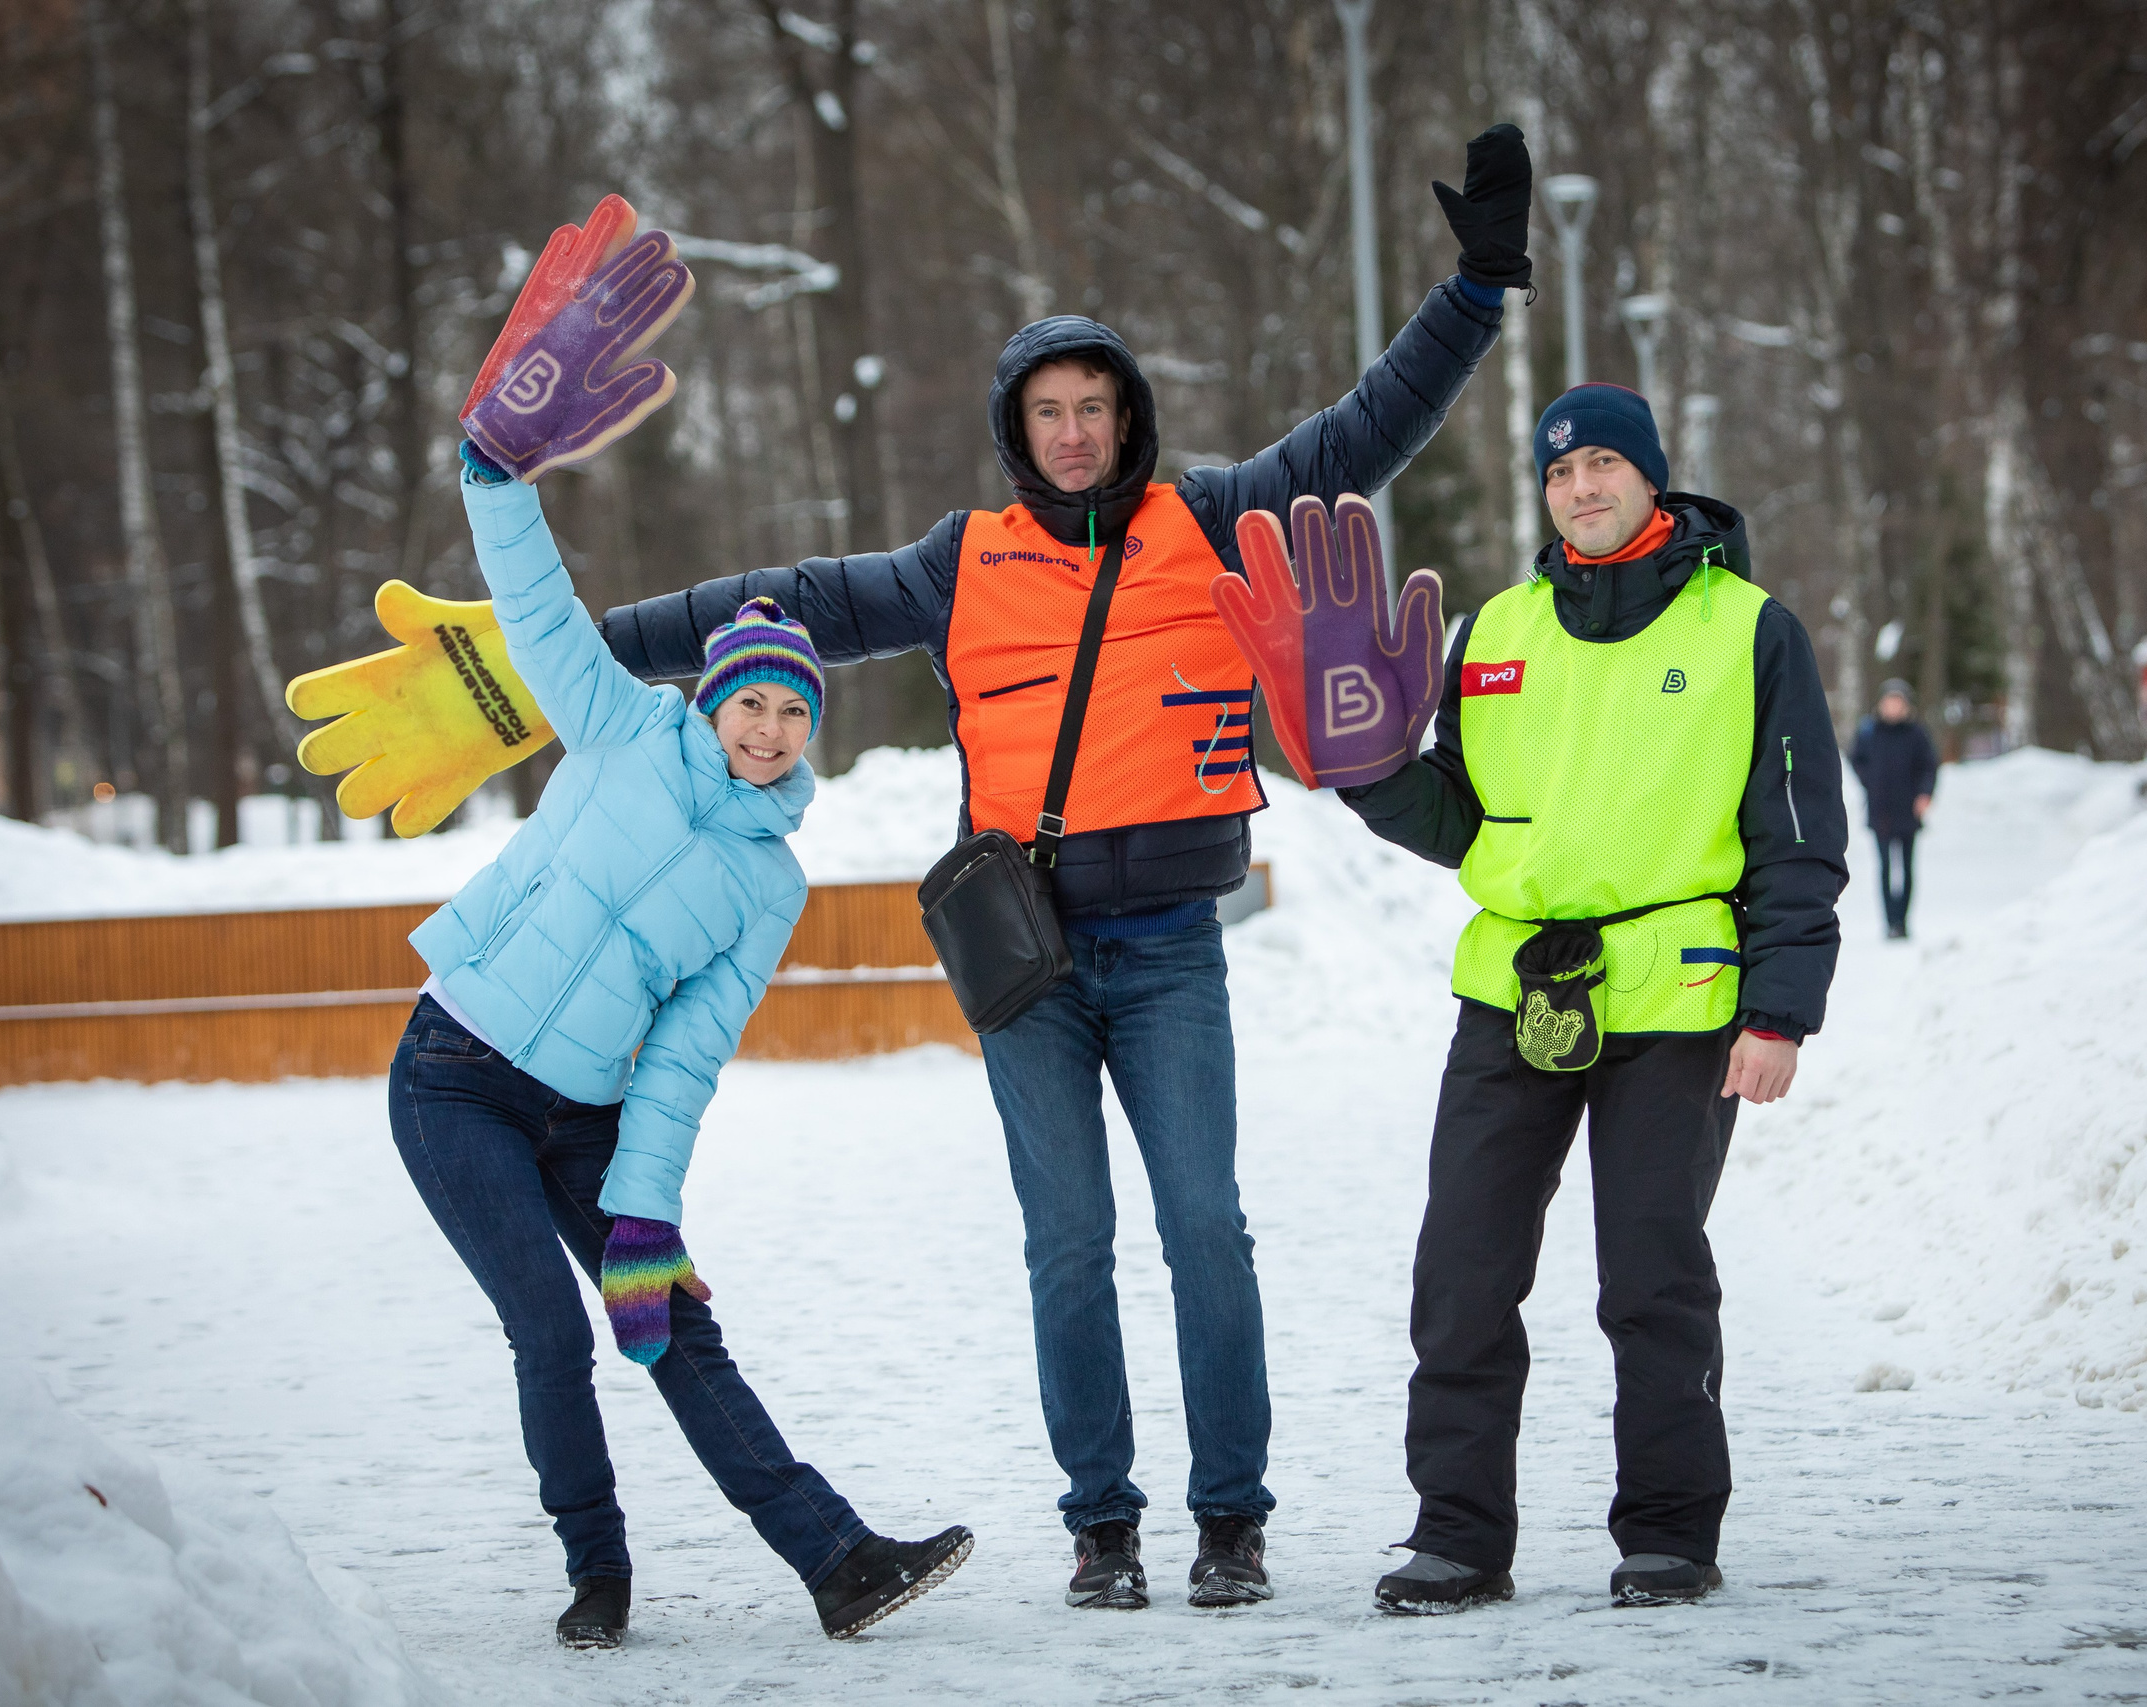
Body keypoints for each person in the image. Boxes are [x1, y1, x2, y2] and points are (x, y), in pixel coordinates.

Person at [594, 126, 1537, 1612]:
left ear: (1128, 414)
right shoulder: (956, 564)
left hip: (1169, 948)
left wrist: (1475, 290)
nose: (1076, 432)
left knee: (1206, 1229)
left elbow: (1365, 432)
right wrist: (574, 648)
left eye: (1095, 406)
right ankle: (1102, 1525)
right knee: (1068, 1245)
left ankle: (1230, 1519)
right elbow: (771, 599)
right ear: (1015, 428)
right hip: (1026, 961)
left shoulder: (1210, 522)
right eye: (1049, 411)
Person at [383, 440, 972, 1649]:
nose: (770, 728)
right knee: (552, 1330)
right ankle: (596, 1570)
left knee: (667, 1318)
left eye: (794, 710)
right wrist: (497, 485)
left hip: (587, 1117)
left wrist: (646, 1217)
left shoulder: (770, 883)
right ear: (712, 699)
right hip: (456, 1076)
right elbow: (539, 611)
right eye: (752, 701)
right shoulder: (620, 728)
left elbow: (686, 1059)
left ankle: (839, 1562)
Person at [1337, 382, 1847, 1612]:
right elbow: (1460, 818)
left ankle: (1668, 1532)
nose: (1581, 488)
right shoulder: (1496, 632)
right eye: (1560, 472)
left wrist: (1780, 1011)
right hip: (1515, 990)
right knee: (1461, 1271)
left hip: (1678, 996)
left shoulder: (1749, 629)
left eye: (1604, 465)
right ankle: (1458, 1537)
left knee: (1651, 1277)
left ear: (1651, 477)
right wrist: (1360, 767)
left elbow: (1795, 835)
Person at [1849, 679, 1938, 940]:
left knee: (1907, 868)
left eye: (1898, 702)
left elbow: (1929, 766)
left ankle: (1903, 920)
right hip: (1881, 810)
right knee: (1885, 867)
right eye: (1889, 702)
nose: (1893, 707)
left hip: (1908, 810)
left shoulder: (1916, 734)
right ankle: (1890, 922)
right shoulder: (1870, 731)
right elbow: (1856, 759)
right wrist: (1870, 782)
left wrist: (1924, 794)